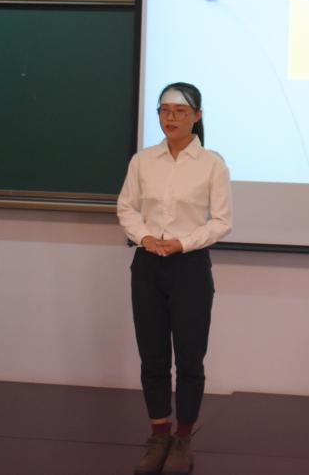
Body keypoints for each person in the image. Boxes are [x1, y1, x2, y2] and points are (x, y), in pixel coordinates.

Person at [117, 82, 232, 475]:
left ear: (196, 117)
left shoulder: (212, 164)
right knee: (152, 356)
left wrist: (183, 243)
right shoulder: (143, 161)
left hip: (190, 267)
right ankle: (158, 435)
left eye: (180, 111)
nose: (171, 118)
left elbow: (221, 221)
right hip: (148, 265)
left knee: (189, 358)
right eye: (164, 111)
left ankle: (182, 439)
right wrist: (145, 237)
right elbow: (126, 207)